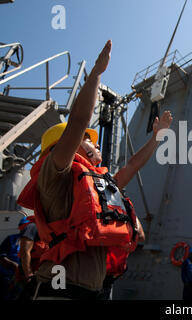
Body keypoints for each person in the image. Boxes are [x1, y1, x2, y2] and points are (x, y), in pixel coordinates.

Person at [17, 40, 172, 299]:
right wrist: (96, 75)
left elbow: (132, 165)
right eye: (86, 140)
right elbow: (77, 121)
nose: (93, 144)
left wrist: (157, 137)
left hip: (93, 290)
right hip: (59, 290)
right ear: (62, 146)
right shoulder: (55, 174)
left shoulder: (96, 182)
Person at [0, 218, 25, 300]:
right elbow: (1, 256)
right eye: (23, 226)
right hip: (7, 276)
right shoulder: (11, 238)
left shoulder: (35, 241)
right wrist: (14, 265)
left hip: (23, 278)